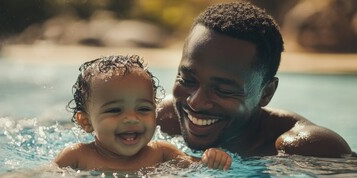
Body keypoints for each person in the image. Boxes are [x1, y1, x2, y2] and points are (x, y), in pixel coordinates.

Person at [156, 1, 352, 158]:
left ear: (266, 93)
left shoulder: (304, 148)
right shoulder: (160, 119)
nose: (195, 102)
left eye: (223, 90)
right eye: (187, 80)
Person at [54, 55, 232, 171]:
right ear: (86, 122)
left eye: (144, 109)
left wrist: (211, 161)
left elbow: (199, 167)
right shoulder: (77, 157)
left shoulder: (161, 153)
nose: (132, 118)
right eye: (115, 110)